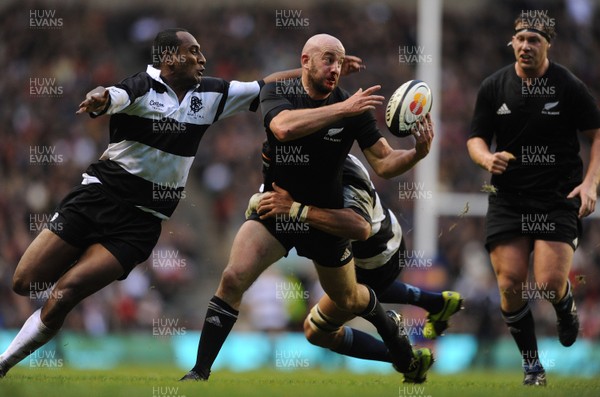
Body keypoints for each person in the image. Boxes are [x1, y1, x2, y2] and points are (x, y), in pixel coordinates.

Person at [0, 27, 336, 378]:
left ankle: (4, 363)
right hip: (95, 199)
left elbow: (265, 85)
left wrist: (311, 70)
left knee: (66, 294)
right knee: (24, 282)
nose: (202, 58)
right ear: (169, 58)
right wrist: (99, 98)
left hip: (140, 225)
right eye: (193, 51)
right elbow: (111, 95)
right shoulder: (140, 87)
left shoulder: (212, 93)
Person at [181, 33, 434, 382]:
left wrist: (418, 153)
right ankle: (199, 373)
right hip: (276, 207)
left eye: (340, 62)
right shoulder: (280, 93)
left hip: (322, 220)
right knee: (232, 277)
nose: (335, 69)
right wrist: (342, 109)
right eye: (328, 59)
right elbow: (283, 129)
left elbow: (385, 162)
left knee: (349, 300)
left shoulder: (353, 109)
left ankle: (386, 322)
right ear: (305, 61)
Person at [467, 15, 600, 386]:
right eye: (520, 39)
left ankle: (564, 305)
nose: (526, 45)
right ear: (512, 42)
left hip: (558, 196)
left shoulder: (568, 86)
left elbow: (597, 133)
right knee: (509, 282)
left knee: (548, 282)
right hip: (508, 197)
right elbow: (475, 137)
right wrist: (485, 158)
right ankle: (532, 366)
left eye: (534, 40)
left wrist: (591, 184)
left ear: (547, 46)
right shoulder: (493, 87)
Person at [248, 152, 463, 383]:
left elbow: (359, 227)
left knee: (317, 328)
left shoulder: (336, 167)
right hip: (377, 246)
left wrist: (296, 211)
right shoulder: (309, 160)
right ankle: (434, 303)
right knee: (342, 290)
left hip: (375, 254)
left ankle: (406, 355)